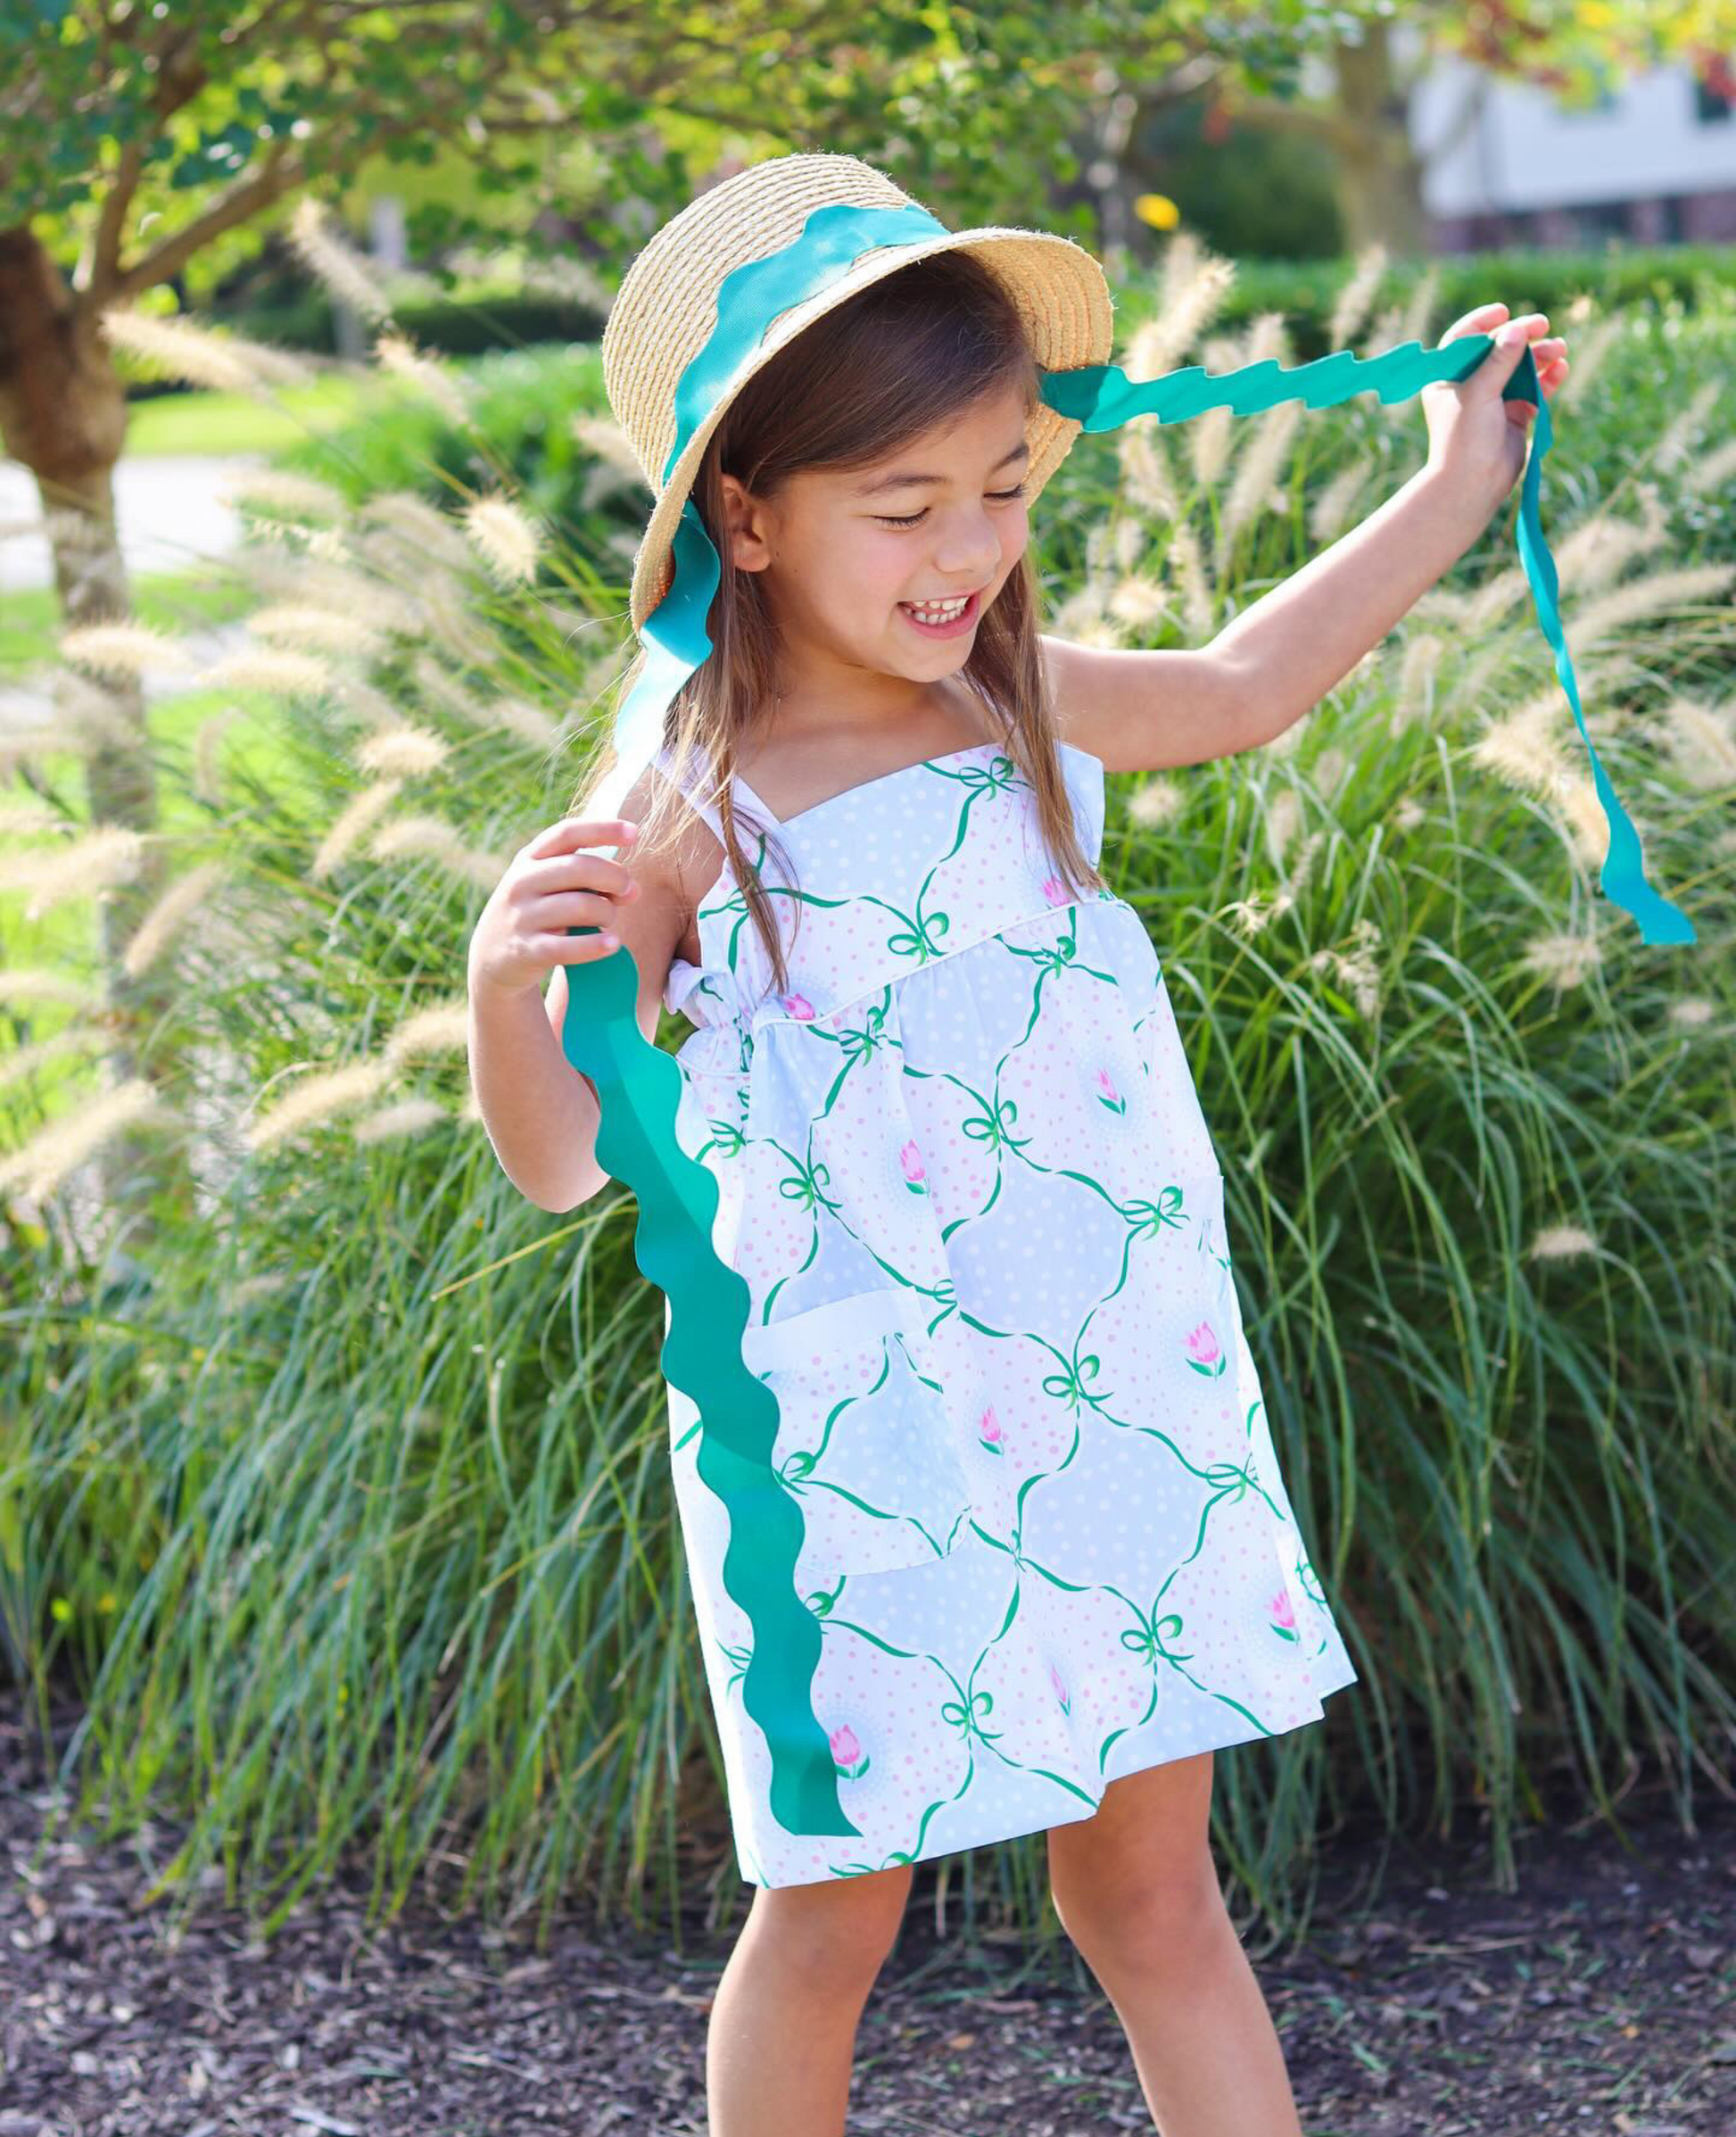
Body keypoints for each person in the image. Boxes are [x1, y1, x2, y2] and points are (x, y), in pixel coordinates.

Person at [467, 153, 1569, 2137]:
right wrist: (497, 989)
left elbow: (1243, 685)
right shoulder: (691, 816)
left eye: (1003, 487)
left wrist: (1454, 482)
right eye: (903, 507)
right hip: (858, 1459)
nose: (965, 549)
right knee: (837, 1912)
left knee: (1149, 1888)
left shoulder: (1005, 710)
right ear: (747, 508)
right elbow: (562, 1162)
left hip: (1121, 1399)